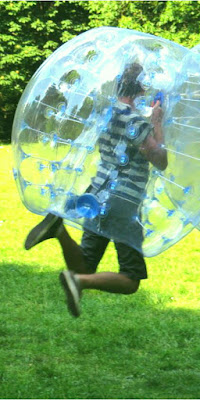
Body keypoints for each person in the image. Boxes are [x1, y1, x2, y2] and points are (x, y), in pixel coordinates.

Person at [24, 63, 167, 318]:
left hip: (97, 194)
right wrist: (157, 123)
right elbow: (159, 159)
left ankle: (59, 231)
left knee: (86, 265)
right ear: (142, 88)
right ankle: (78, 281)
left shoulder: (108, 113)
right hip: (123, 200)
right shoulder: (135, 121)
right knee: (131, 279)